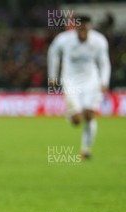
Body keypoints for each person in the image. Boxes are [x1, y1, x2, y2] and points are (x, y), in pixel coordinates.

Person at [47, 15, 111, 159]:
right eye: (80, 28)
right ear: (75, 28)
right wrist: (52, 76)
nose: (83, 31)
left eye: (85, 28)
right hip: (71, 81)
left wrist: (104, 81)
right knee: (76, 120)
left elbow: (104, 62)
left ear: (90, 28)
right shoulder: (64, 39)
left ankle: (86, 150)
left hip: (91, 81)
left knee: (89, 115)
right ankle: (71, 114)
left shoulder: (99, 40)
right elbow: (53, 53)